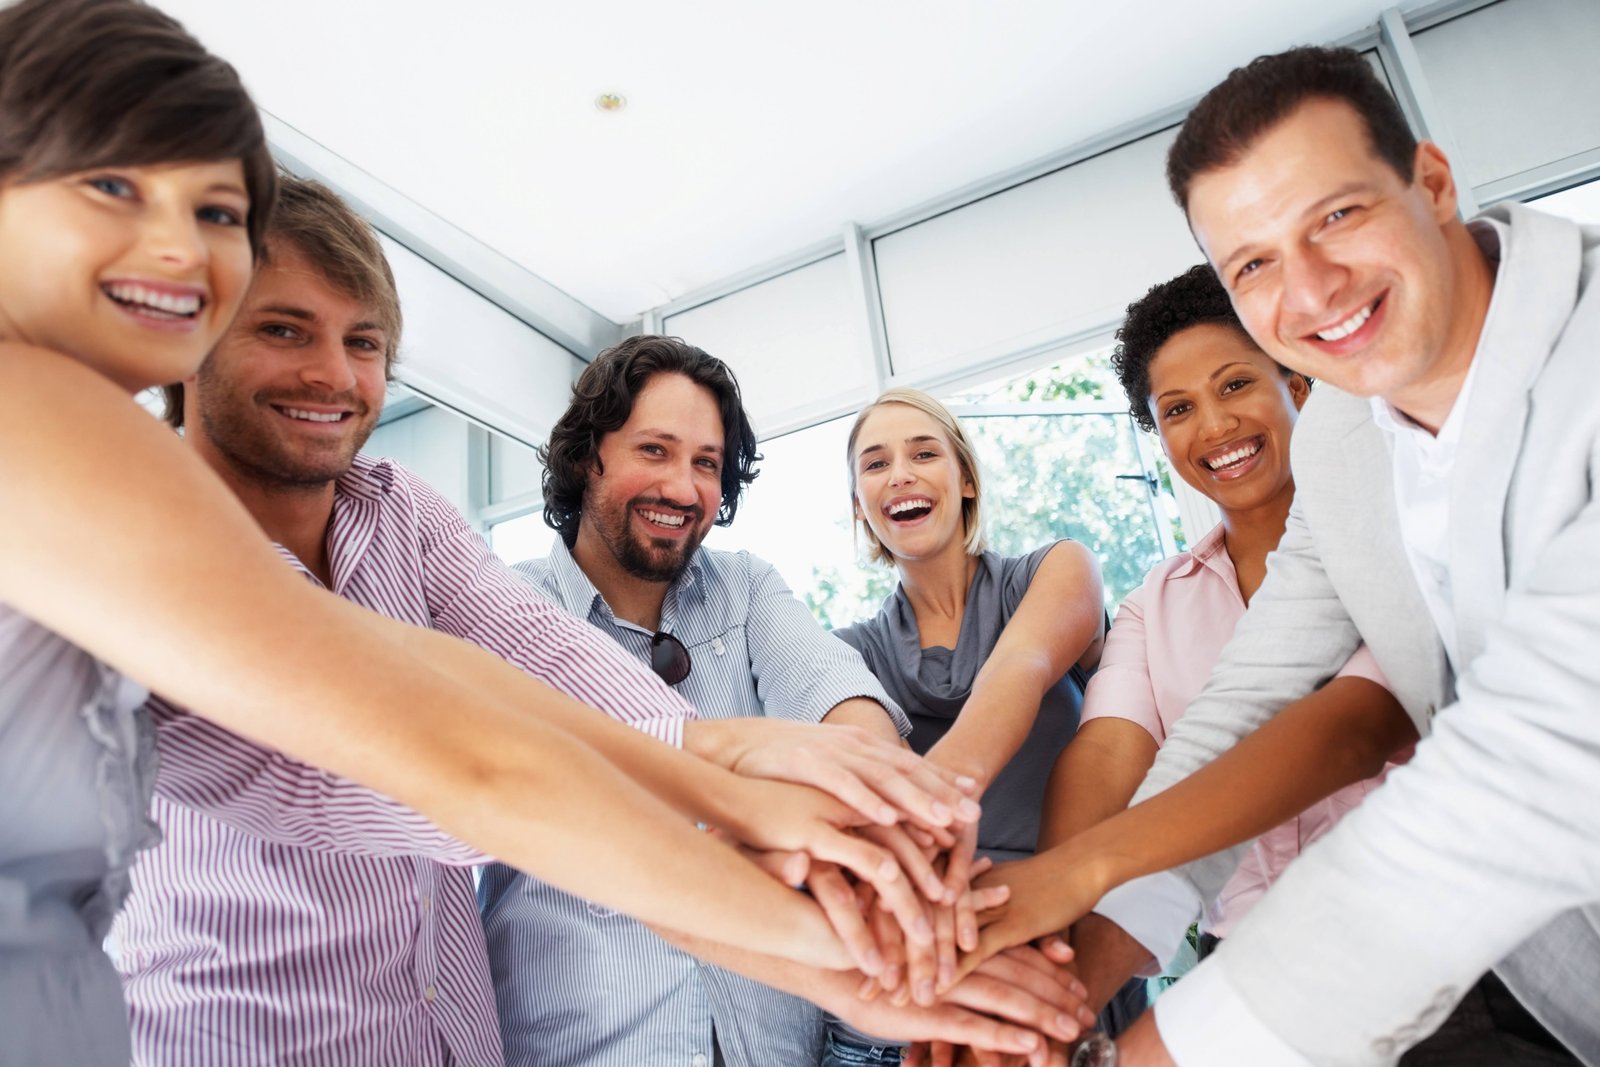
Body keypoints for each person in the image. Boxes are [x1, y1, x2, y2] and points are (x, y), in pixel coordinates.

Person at [0, 2, 968, 1062]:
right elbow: (453, 764)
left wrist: (717, 762)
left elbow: (472, 670)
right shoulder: (58, 435)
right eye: (112, 187)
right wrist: (810, 925)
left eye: (217, 212)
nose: (178, 250)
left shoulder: (388, 514)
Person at [985, 46, 1598, 1066]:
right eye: (1254, 263)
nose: (1310, 289)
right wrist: (1063, 976)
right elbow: (1248, 701)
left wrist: (1150, 1052)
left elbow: (1526, 771)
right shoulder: (1348, 436)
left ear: (1433, 184)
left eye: (1336, 215)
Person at [926, 266, 1413, 1066]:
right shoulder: (1157, 602)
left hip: (1426, 935)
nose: (1215, 425)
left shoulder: (1384, 530)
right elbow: (1110, 760)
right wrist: (1038, 987)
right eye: (1178, 409)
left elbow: (1354, 728)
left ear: (1297, 380)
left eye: (1236, 384)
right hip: (1248, 969)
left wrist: (1067, 881)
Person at [481, 335, 979, 1066]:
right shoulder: (509, 603)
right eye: (655, 450)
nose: (683, 489)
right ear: (590, 456)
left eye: (706, 464)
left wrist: (889, 799)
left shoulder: (745, 588)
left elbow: (835, 694)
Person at [828, 387, 1108, 1064]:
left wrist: (928, 801)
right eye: (875, 463)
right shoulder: (848, 654)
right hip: (945, 965)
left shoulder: (1055, 570)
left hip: (1074, 935)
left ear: (967, 480)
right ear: (861, 506)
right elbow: (875, 800)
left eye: (924, 452)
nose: (900, 472)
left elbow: (1020, 667)